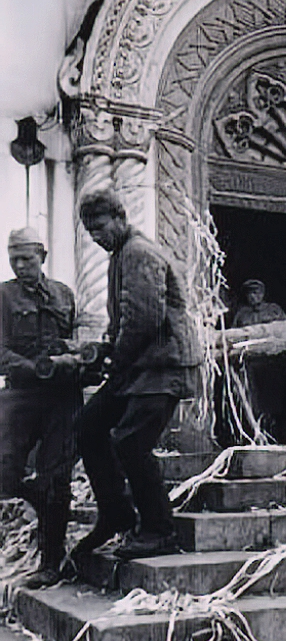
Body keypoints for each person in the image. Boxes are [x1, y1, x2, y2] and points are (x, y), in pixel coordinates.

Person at [74, 189, 203, 560]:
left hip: (163, 367)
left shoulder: (138, 252)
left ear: (120, 218)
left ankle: (159, 530)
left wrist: (115, 359)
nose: (96, 237)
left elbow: (144, 319)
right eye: (90, 232)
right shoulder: (121, 254)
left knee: (131, 443)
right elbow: (124, 318)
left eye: (100, 227)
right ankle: (115, 514)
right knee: (88, 424)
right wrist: (106, 347)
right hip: (140, 367)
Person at [0, 228, 81, 588]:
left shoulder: (64, 294)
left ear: (42, 257)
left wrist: (73, 355)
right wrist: (34, 369)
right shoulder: (3, 296)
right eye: (13, 259)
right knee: (5, 471)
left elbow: (78, 339)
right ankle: (41, 499)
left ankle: (51, 563)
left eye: (26, 258)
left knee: (57, 480)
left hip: (63, 399)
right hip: (21, 396)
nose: (20, 265)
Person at [232, 280, 286, 442]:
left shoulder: (274, 310)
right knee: (254, 402)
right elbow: (233, 336)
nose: (253, 297)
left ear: (263, 294)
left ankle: (275, 434)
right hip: (251, 364)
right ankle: (258, 434)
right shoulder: (242, 315)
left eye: (256, 293)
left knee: (273, 401)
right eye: (249, 294)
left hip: (271, 363)